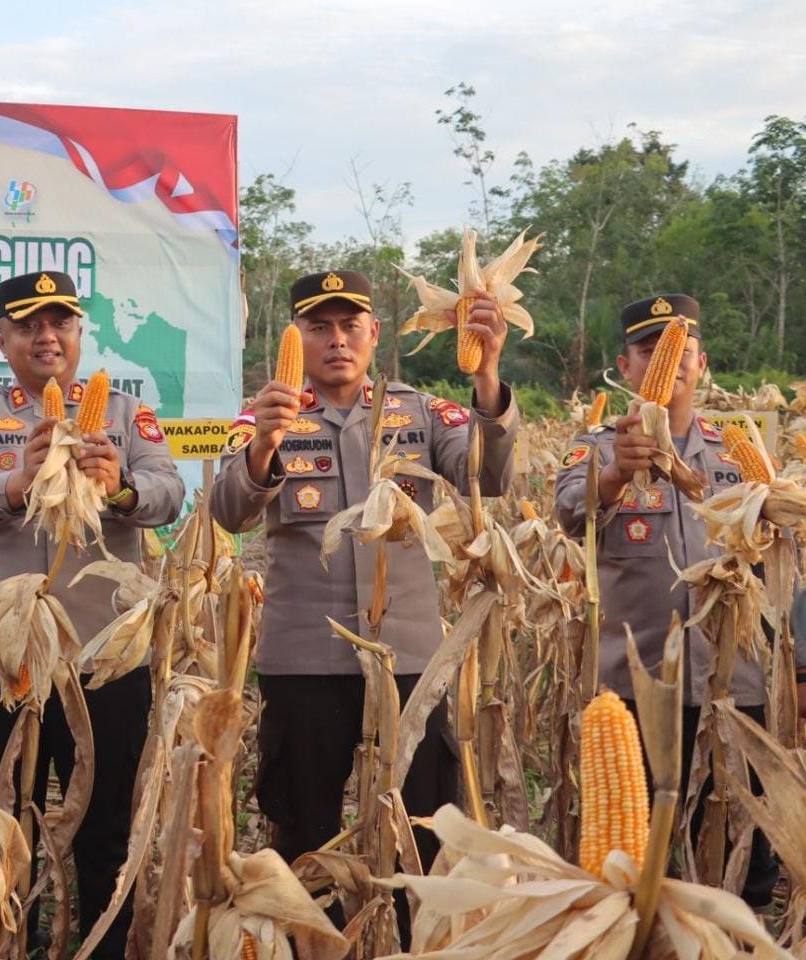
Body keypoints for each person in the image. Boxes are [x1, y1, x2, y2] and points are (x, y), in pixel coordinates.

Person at [210, 269, 519, 881]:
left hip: (408, 659)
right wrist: (263, 448)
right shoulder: (261, 416)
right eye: (318, 327)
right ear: (293, 335)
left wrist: (487, 378)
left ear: (373, 333)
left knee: (421, 828)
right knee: (303, 827)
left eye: (350, 326)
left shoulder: (425, 413)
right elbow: (228, 513)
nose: (336, 340)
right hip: (304, 661)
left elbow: (490, 478)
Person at [0, 270, 184, 957]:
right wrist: (20, 480)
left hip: (105, 653)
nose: (47, 337)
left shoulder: (128, 413)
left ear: (78, 332)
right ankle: (4, 943)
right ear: (2, 337)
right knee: (0, 816)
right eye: (28, 325)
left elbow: (170, 492)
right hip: (3, 651)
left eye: (60, 323)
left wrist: (123, 488)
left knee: (105, 821)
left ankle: (101, 944)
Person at [554, 294, 793, 906]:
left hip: (732, 687)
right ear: (625, 365)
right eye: (648, 350)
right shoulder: (596, 447)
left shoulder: (739, 444)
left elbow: (782, 544)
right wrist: (611, 478)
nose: (668, 363)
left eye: (680, 352)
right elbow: (567, 515)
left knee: (744, 860)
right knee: (640, 871)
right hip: (638, 689)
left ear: (701, 362)